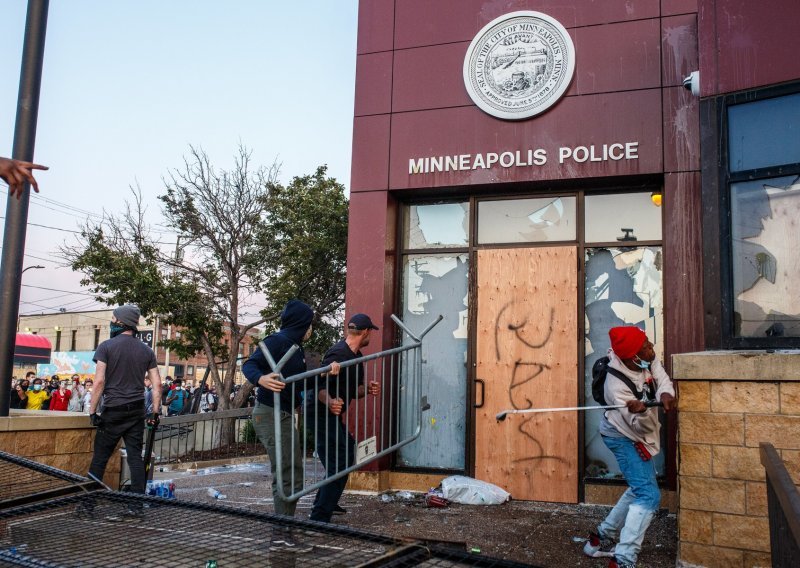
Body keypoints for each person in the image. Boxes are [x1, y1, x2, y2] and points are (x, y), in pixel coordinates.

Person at [582, 326, 676, 568]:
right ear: (633, 356)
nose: (651, 348)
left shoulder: (644, 359)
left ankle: (601, 538)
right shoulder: (616, 388)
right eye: (646, 346)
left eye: (647, 342)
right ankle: (623, 559)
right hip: (622, 436)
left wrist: (665, 392)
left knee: (639, 488)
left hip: (633, 432)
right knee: (648, 495)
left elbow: (660, 373)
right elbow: (640, 428)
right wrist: (642, 412)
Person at [241, 300, 313, 526]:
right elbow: (250, 364)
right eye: (310, 324)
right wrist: (260, 379)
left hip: (282, 413)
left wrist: (325, 374)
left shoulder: (296, 347)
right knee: (286, 471)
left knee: (293, 471)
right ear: (302, 324)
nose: (312, 329)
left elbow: (297, 381)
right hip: (270, 412)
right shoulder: (278, 341)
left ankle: (286, 520)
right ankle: (283, 525)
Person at [86, 304, 162, 515]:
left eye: (113, 318)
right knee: (136, 458)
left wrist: (93, 412)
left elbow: (99, 381)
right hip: (137, 410)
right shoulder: (146, 350)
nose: (112, 321)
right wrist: (155, 412)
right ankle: (136, 506)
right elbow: (157, 384)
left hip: (113, 410)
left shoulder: (106, 346)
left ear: (120, 322)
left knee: (100, 458)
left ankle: (88, 504)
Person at [308, 313, 380, 523]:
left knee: (347, 453)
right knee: (339, 460)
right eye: (370, 333)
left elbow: (353, 389)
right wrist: (330, 401)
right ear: (366, 332)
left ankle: (327, 501)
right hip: (320, 412)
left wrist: (366, 388)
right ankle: (320, 515)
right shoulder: (337, 353)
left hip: (333, 415)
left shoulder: (356, 357)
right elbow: (318, 386)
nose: (370, 337)